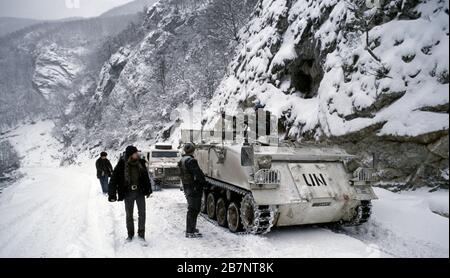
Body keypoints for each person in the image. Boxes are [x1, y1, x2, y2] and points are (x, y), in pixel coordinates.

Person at [108, 146, 152, 243]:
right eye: (135, 153)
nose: (137, 154)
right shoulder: (121, 164)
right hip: (128, 193)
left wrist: (148, 189)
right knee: (129, 215)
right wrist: (112, 194)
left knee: (142, 214)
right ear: (130, 155)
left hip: (139, 192)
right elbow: (113, 179)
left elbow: (146, 177)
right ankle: (130, 234)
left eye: (137, 152)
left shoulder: (141, 163)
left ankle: (141, 234)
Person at [178, 143, 206, 238]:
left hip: (187, 186)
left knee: (192, 208)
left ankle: (191, 228)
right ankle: (190, 231)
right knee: (194, 209)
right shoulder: (191, 161)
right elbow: (198, 174)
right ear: (193, 151)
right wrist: (204, 183)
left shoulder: (182, 160)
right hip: (193, 187)